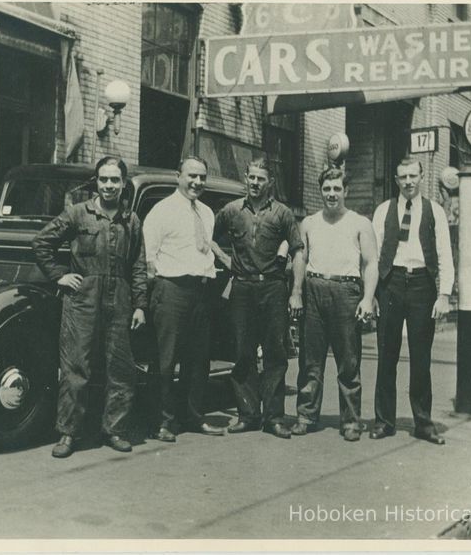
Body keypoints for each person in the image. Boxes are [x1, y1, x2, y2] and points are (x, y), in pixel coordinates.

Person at [32, 156, 147, 458]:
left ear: (124, 184)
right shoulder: (77, 214)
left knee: (120, 369)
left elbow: (137, 265)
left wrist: (140, 305)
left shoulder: (131, 220)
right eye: (104, 179)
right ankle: (68, 433)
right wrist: (60, 276)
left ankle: (114, 430)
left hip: (120, 299)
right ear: (96, 182)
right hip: (82, 300)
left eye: (115, 180)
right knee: (75, 368)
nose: (109, 185)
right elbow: (41, 243)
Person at [211, 157, 305, 439]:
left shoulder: (282, 213)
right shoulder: (230, 211)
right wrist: (226, 259)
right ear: (245, 178)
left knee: (275, 354)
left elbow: (298, 251)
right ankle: (248, 414)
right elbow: (208, 237)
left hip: (273, 288)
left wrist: (296, 292)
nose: (255, 183)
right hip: (242, 288)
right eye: (251, 177)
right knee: (243, 352)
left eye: (260, 179)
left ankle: (274, 418)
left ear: (270, 183)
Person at [289, 167, 378, 442]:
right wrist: (296, 292)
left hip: (347, 290)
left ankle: (351, 421)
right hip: (314, 289)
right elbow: (300, 259)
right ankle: (306, 415)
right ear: (321, 191)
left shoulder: (360, 223)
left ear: (346, 191)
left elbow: (371, 262)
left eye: (337, 189)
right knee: (310, 360)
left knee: (348, 360)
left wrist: (367, 297)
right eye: (327, 189)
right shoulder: (309, 223)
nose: (331, 194)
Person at [371, 158, 454, 445]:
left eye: (413, 176)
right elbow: (372, 256)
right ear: (395, 179)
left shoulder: (435, 212)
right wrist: (370, 295)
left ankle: (423, 423)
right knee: (386, 356)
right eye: (402, 176)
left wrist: (444, 295)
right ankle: (384, 421)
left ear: (421, 177)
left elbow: (445, 254)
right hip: (390, 284)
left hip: (422, 285)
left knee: (421, 358)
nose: (408, 181)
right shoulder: (383, 211)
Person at [143, 156, 224, 442]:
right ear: (178, 176)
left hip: (201, 291)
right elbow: (149, 258)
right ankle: (162, 421)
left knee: (199, 359)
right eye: (191, 176)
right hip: (171, 289)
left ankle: (192, 416)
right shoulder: (161, 211)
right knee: (165, 361)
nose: (197, 182)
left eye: (202, 177)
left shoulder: (207, 212)